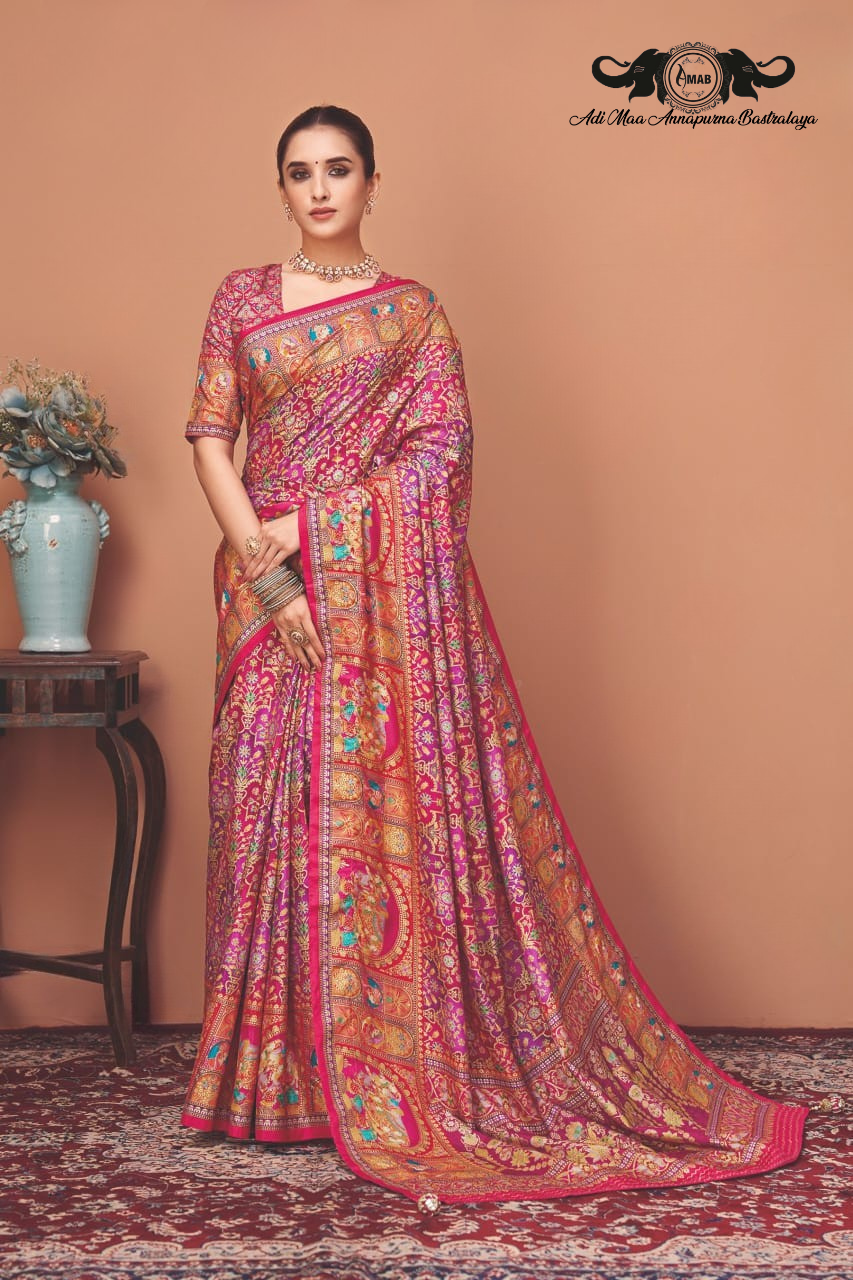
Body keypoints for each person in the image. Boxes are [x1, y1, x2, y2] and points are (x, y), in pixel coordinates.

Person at [181, 103, 808, 1209]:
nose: (319, 189)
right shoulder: (241, 298)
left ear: (373, 182)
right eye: (300, 172)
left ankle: (379, 1078)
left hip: (366, 597)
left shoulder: (414, 316)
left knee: (373, 819)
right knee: (264, 810)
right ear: (279, 188)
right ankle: (271, 1082)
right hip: (265, 589)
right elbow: (209, 438)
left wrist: (313, 530)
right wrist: (270, 572)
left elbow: (441, 459)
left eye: (338, 169)